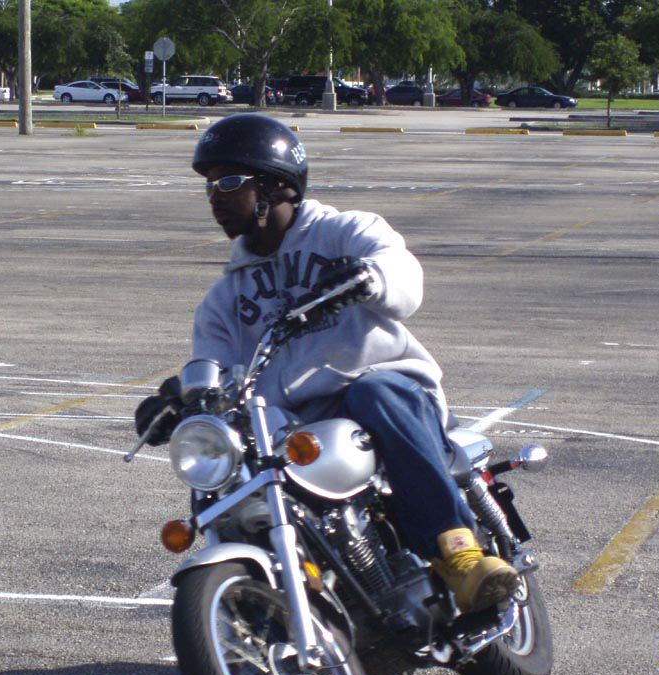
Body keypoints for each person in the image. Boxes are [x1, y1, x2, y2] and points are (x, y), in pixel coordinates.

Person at [135, 113, 519, 614]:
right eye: (209, 185)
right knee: (227, 460)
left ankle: (458, 553)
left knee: (374, 392)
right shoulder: (223, 299)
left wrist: (370, 278)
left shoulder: (344, 232)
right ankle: (275, 597)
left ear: (274, 186)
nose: (215, 197)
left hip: (382, 394)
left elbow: (403, 276)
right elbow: (217, 371)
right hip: (299, 429)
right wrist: (186, 401)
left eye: (229, 182)